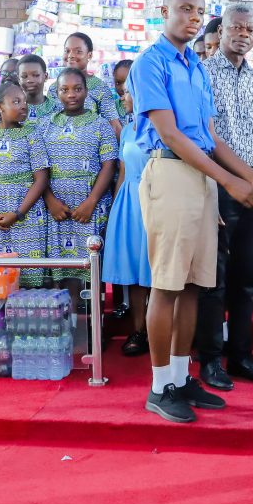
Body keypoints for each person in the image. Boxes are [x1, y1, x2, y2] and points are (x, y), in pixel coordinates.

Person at [129, 0, 253, 423]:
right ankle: (158, 387)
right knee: (167, 284)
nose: (193, 17)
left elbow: (210, 136)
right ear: (164, 12)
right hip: (171, 171)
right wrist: (229, 181)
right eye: (185, 9)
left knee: (194, 284)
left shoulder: (195, 66)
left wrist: (250, 176)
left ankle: (179, 377)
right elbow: (171, 134)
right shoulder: (151, 63)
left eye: (199, 11)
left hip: (202, 177)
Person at [197, 3, 253, 390]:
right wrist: (230, 182)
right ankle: (211, 360)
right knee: (213, 279)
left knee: (247, 277)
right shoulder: (202, 74)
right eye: (236, 27)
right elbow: (204, 138)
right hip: (217, 185)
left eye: (250, 30)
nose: (243, 34)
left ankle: (242, 356)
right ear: (221, 31)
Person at [42, 67, 118, 309]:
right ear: (56, 93)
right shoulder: (46, 125)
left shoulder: (101, 124)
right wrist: (50, 201)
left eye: (77, 89)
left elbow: (109, 165)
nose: (71, 94)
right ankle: (67, 317)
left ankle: (95, 321)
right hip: (57, 208)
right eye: (64, 89)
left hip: (91, 207)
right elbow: (38, 168)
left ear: (86, 91)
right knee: (62, 267)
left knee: (92, 265)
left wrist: (91, 202)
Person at [0, 81, 50, 287]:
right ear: (0, 106)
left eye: (24, 101)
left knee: (29, 279)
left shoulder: (32, 134)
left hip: (26, 214)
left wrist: (18, 213)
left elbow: (41, 178)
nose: (23, 105)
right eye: (16, 101)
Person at [102, 88, 151, 356]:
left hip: (157, 198)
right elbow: (122, 171)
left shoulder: (165, 128)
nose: (123, 98)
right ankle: (138, 331)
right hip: (130, 201)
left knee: (158, 268)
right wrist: (116, 210)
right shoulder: (128, 131)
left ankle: (161, 330)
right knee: (133, 270)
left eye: (128, 92)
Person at [47, 33, 122, 136]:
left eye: (78, 51)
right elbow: (47, 125)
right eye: (67, 51)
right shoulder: (54, 88)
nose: (71, 55)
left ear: (89, 55)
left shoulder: (100, 87)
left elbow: (114, 127)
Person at [16, 54, 61, 131]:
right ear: (18, 79)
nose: (30, 80)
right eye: (24, 76)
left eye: (35, 75)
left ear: (46, 76)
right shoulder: (12, 110)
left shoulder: (57, 109)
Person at [112, 59, 134, 125]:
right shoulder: (112, 108)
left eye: (128, 82)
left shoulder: (149, 107)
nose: (123, 88)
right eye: (118, 83)